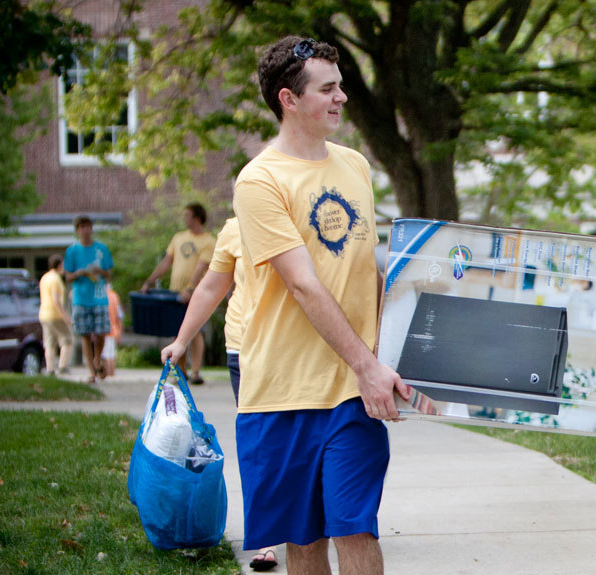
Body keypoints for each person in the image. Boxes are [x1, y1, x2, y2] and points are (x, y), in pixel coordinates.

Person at [229, 36, 411, 575]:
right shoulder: (260, 180)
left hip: (351, 391)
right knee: (303, 542)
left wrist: (393, 353)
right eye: (328, 88)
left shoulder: (354, 165)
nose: (342, 98)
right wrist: (367, 364)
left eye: (341, 86)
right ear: (288, 99)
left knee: (355, 526)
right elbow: (304, 285)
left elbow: (364, 270)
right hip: (280, 393)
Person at [160, 217, 278, 572]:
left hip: (294, 350)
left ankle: (304, 524)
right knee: (258, 442)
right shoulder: (234, 229)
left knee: (294, 443)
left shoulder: (301, 215)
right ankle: (267, 536)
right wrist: (181, 341)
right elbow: (211, 288)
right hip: (244, 349)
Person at [141, 202, 215, 385]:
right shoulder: (178, 238)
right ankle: (181, 372)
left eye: (187, 215)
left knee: (196, 331)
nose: (184, 218)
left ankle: (196, 372)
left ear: (197, 218)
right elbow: (166, 262)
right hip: (176, 293)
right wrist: (149, 281)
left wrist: (190, 288)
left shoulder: (208, 241)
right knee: (178, 331)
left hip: (197, 293)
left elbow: (200, 267)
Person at [63, 215, 113, 384]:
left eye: (88, 226)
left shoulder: (102, 249)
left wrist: (100, 271)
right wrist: (78, 273)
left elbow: (109, 274)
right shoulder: (72, 251)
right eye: (82, 227)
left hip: (99, 296)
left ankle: (97, 359)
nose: (86, 230)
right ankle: (91, 372)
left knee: (101, 332)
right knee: (85, 335)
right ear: (77, 230)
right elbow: (67, 276)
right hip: (80, 298)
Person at [38, 254, 73, 376]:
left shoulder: (45, 278)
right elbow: (56, 300)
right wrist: (65, 316)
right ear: (59, 265)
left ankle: (50, 369)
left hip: (44, 314)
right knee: (67, 340)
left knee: (49, 343)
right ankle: (62, 366)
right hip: (55, 315)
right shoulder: (56, 279)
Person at [101, 283, 123, 379]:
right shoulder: (115, 296)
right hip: (114, 330)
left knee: (105, 355)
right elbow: (120, 316)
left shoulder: (102, 297)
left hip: (104, 330)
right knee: (112, 355)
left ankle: (108, 375)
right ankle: (112, 374)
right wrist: (120, 331)